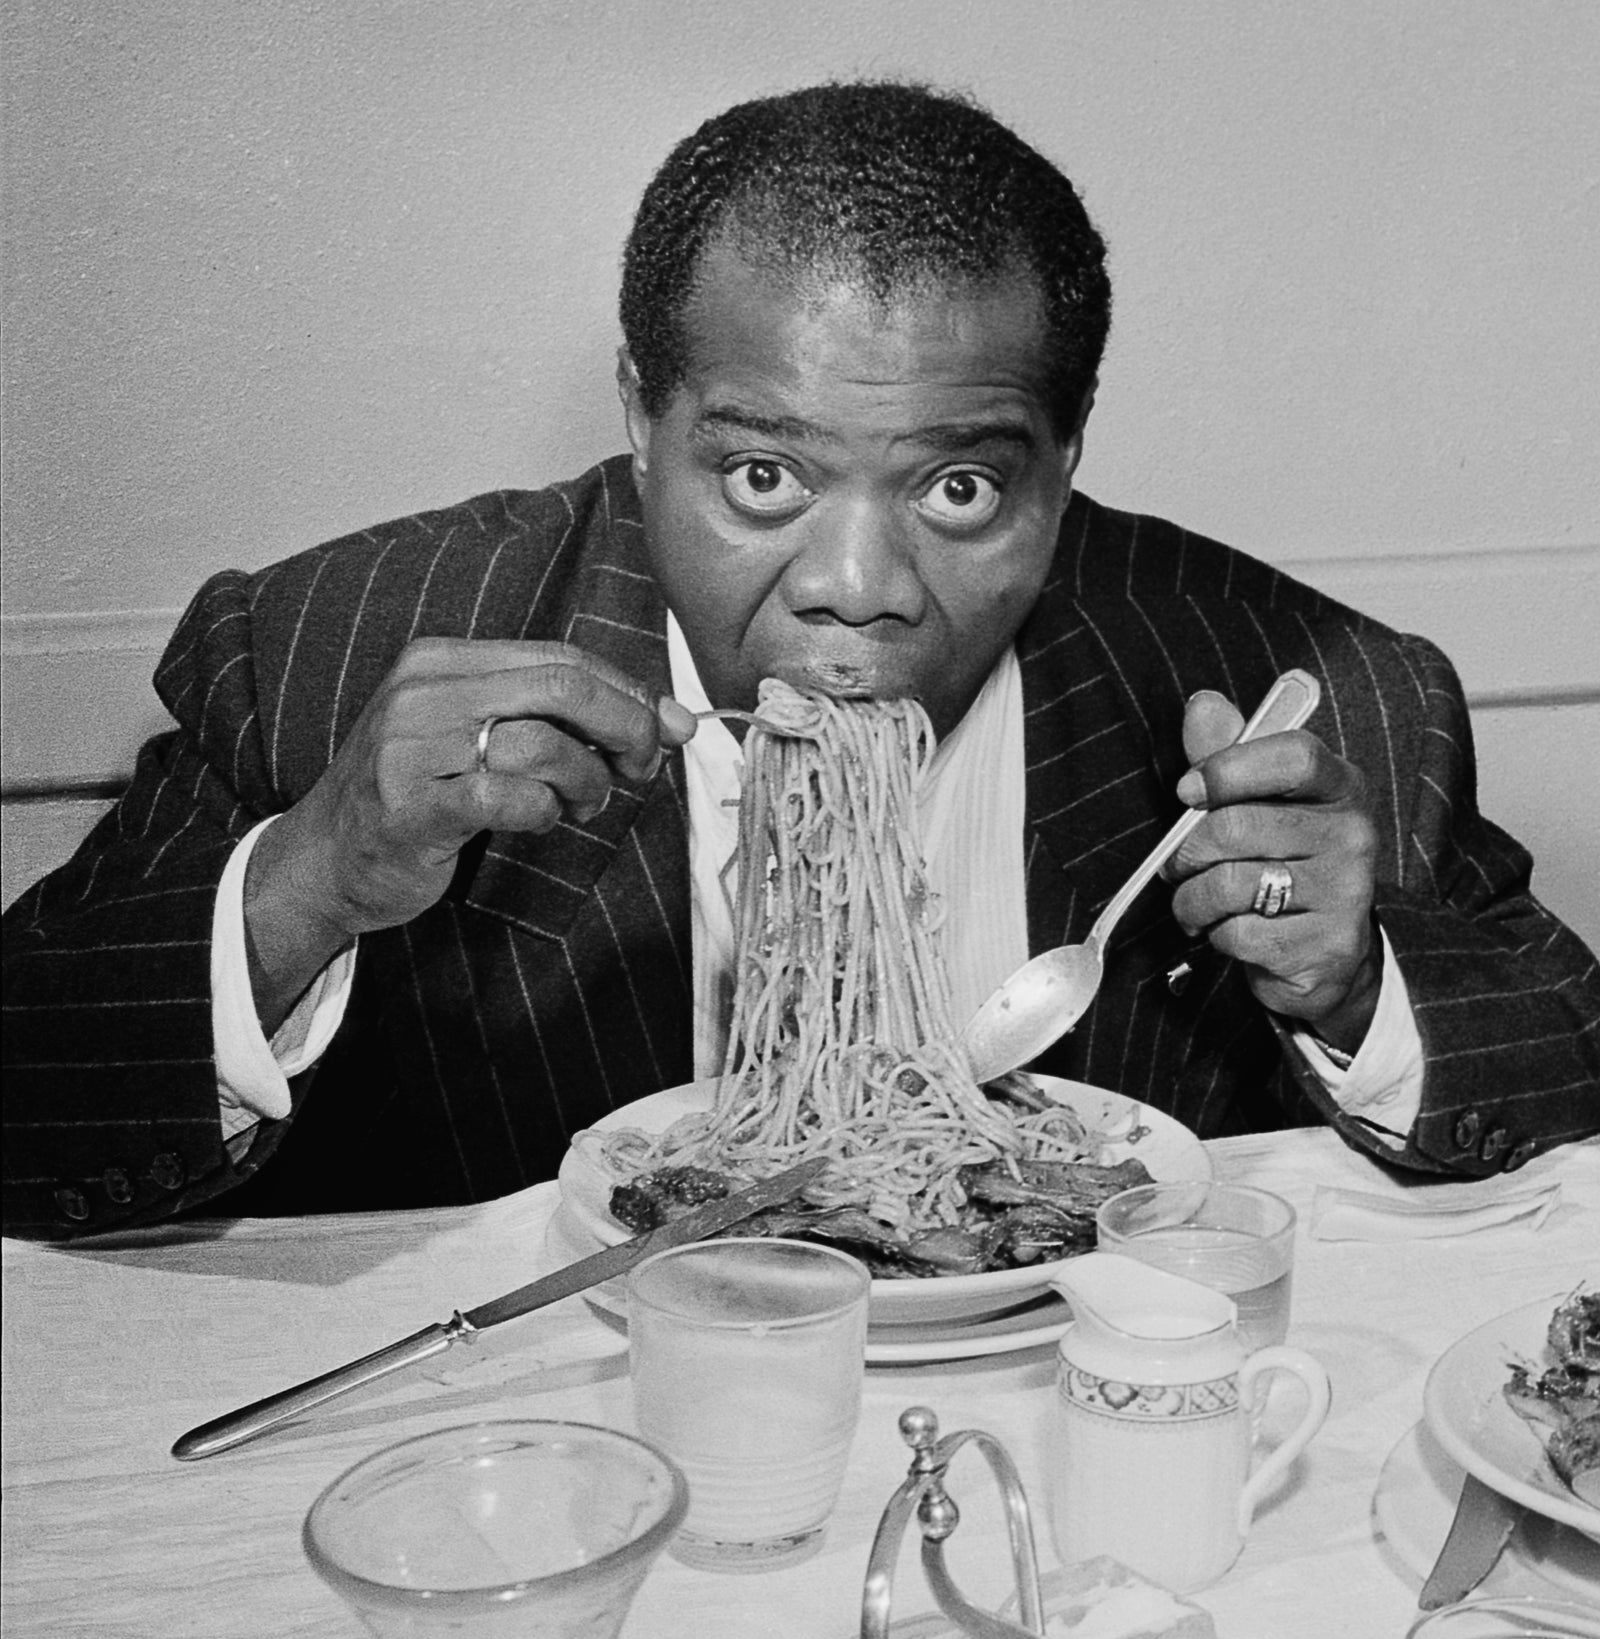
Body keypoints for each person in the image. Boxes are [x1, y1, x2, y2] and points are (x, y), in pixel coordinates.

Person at [4, 82, 1596, 1239]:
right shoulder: (316, 651)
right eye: (763, 476)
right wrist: (307, 886)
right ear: (642, 414)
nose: (856, 590)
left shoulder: (1309, 683)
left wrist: (1352, 980)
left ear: (1063, 460)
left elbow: (1567, 1072)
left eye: (957, 487)